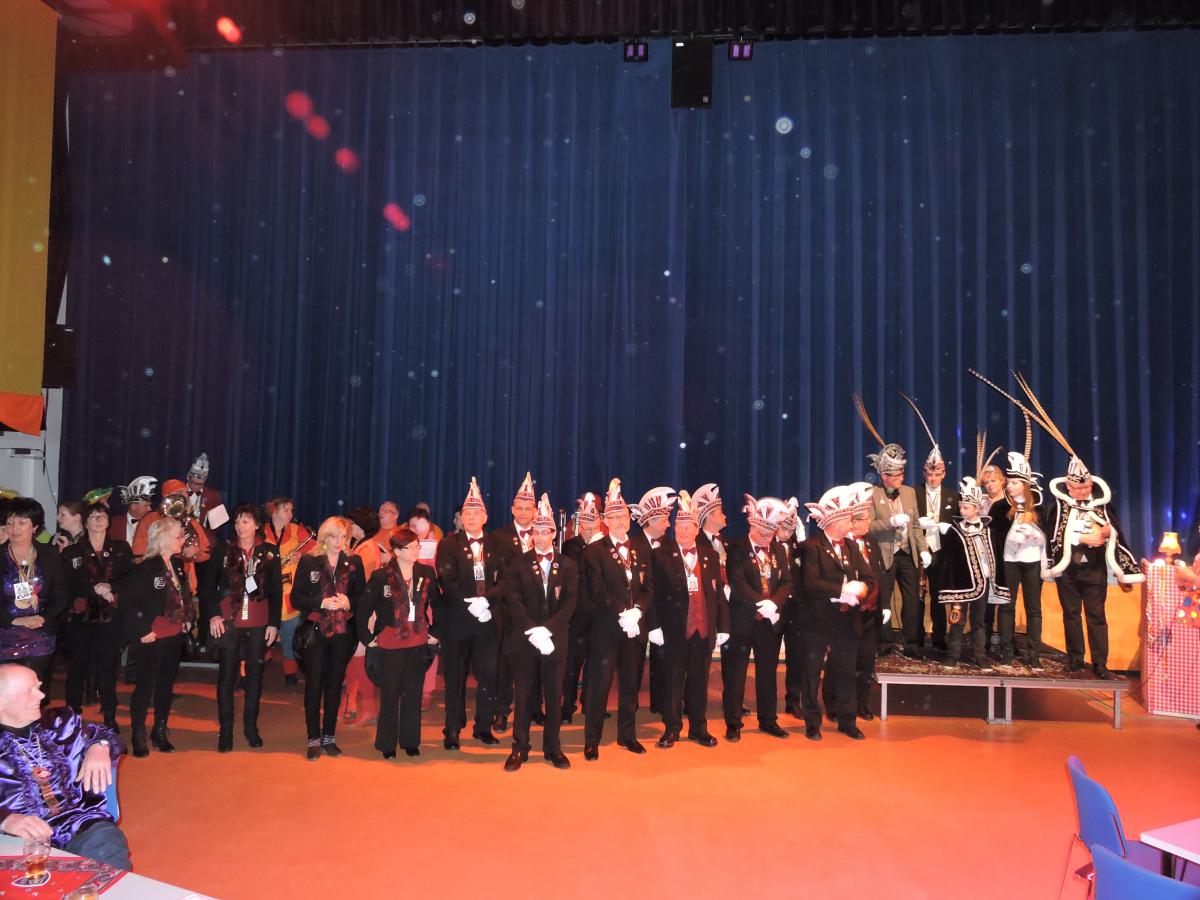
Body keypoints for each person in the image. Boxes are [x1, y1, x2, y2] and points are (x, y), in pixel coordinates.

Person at [0, 665, 129, 869]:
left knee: (106, 845)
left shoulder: (58, 724)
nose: (41, 695)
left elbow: (106, 735)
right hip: (13, 839)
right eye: (29, 691)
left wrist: (100, 746)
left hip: (76, 824)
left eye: (38, 687)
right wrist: (5, 820)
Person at [499, 495, 577, 771]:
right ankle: (519, 748)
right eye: (536, 532)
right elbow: (514, 601)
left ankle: (552, 748)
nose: (541, 537)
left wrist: (548, 629)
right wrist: (534, 630)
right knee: (523, 696)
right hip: (526, 640)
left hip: (555, 641)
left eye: (545, 532)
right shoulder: (519, 563)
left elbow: (570, 603)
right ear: (531, 534)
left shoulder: (567, 565)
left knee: (554, 696)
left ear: (554, 534)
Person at [648, 490, 728, 749]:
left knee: (699, 681)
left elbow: (717, 594)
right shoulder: (661, 556)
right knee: (673, 681)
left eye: (687, 527)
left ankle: (698, 728)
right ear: (674, 530)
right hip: (675, 630)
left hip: (703, 630)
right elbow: (653, 594)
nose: (683, 532)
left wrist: (723, 627)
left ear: (696, 529)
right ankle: (672, 728)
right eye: (679, 527)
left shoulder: (709, 555)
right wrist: (654, 626)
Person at [855, 395, 932, 658]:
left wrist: (923, 549)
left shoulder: (910, 492)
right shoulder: (872, 493)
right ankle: (884, 643)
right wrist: (889, 522)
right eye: (896, 475)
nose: (901, 478)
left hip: (907, 554)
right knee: (883, 599)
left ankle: (912, 644)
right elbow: (867, 526)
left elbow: (916, 526)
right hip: (884, 554)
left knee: (912, 601)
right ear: (884, 476)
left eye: (902, 474)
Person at [107, 516, 191, 756]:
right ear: (163, 539)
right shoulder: (146, 567)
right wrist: (142, 630)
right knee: (145, 685)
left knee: (165, 684)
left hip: (173, 632)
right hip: (151, 633)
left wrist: (186, 618)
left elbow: (182, 597)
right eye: (178, 536)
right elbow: (129, 603)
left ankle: (160, 730)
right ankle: (138, 732)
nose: (182, 540)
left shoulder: (177, 565)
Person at [582, 478, 653, 760]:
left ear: (629, 518)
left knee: (630, 685)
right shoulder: (594, 551)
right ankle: (592, 739)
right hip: (607, 628)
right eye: (613, 517)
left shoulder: (641, 548)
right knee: (598, 686)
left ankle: (627, 735)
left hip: (635, 628)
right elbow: (596, 590)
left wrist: (639, 611)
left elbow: (650, 586)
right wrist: (622, 612)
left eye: (623, 516)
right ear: (605, 521)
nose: (619, 521)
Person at [798, 486, 873, 741]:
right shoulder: (811, 547)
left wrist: (861, 589)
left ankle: (847, 721)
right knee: (811, 673)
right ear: (833, 522)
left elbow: (868, 578)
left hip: (845, 620)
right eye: (847, 519)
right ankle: (812, 722)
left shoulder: (851, 546)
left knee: (846, 671)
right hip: (817, 620)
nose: (851, 523)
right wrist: (841, 589)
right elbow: (810, 583)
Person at [433, 478, 503, 750]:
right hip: (458, 620)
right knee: (455, 676)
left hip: (488, 620)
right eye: (466, 514)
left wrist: (487, 601)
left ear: (485, 517)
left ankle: (483, 726)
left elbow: (506, 578)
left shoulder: (496, 543)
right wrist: (469, 602)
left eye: (476, 513)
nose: (471, 518)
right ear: (461, 518)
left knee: (488, 675)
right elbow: (446, 578)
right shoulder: (449, 543)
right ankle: (452, 728)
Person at [206, 505, 282, 752]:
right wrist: (214, 614)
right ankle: (226, 730)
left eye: (246, 521)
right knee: (227, 676)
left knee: (255, 676)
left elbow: (276, 591)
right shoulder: (224, 550)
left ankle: (251, 727)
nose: (240, 526)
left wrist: (274, 623)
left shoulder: (269, 552)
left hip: (259, 622)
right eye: (237, 521)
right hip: (230, 620)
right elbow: (207, 587)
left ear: (257, 524)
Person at [359, 528, 440, 759]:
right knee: (390, 693)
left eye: (417, 546)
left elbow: (440, 604)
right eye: (410, 547)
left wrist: (437, 632)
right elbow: (363, 608)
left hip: (417, 641)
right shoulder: (381, 576)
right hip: (389, 643)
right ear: (396, 551)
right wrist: (366, 638)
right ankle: (387, 743)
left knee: (413, 692)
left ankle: (410, 741)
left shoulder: (425, 572)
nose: (416, 550)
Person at [291, 517, 365, 759]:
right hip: (315, 631)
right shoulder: (309, 560)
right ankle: (313, 738)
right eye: (334, 536)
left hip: (343, 632)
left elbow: (363, 597)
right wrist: (321, 602)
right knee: (314, 684)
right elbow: (296, 598)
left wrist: (349, 602)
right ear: (324, 537)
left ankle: (329, 736)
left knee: (335, 684)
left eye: (344, 537)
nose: (339, 542)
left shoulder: (354, 561)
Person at [721, 494, 792, 741]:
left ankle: (768, 720)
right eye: (762, 533)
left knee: (768, 673)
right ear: (752, 526)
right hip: (742, 620)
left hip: (769, 623)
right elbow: (738, 583)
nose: (766, 538)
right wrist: (762, 603)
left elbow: (786, 582)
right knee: (736, 675)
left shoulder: (778, 549)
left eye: (770, 534)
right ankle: (733, 722)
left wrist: (775, 603)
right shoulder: (736, 549)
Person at [60, 503, 133, 729]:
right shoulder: (72, 551)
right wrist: (96, 589)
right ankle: (72, 716)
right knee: (77, 667)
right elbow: (69, 583)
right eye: (93, 517)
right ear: (85, 522)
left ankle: (109, 715)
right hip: (81, 616)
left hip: (110, 617)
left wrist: (110, 586)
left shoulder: (121, 548)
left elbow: (130, 577)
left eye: (102, 516)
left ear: (109, 521)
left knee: (107, 667)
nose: (98, 520)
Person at [938, 477, 1010, 671]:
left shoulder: (989, 532)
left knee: (979, 621)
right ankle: (953, 655)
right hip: (961, 585)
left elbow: (995, 557)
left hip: (983, 583)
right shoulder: (955, 531)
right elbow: (949, 560)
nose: (962, 511)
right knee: (957, 620)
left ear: (977, 508)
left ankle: (980, 655)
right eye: (961, 507)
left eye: (966, 508)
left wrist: (994, 579)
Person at [488, 472, 539, 733]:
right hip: (508, 610)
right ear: (512, 509)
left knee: (536, 659)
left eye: (528, 508)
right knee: (506, 662)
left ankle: (533, 707)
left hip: (537, 610)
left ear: (535, 511)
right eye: (519, 508)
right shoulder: (499, 536)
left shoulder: (544, 533)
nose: (523, 512)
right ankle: (502, 710)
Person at [1, 497, 67, 681]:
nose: (14, 529)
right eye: (10, 523)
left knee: (32, 689)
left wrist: (42, 618)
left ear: (35, 527)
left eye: (22, 523)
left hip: (39, 634)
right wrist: (15, 620)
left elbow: (60, 596)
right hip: (4, 634)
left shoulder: (49, 554)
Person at [996, 453, 1047, 669]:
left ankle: (1034, 653)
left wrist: (1035, 534)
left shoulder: (1039, 508)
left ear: (1025, 485)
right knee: (1007, 606)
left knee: (1033, 608)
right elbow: (995, 535)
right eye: (1009, 482)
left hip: (1032, 562)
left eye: (1015, 483)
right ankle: (1006, 649)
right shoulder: (1001, 507)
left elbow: (1048, 537)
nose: (1009, 486)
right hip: (1009, 562)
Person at [629, 486, 676, 716]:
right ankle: (629, 705)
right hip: (640, 612)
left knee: (663, 660)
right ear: (653, 521)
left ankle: (660, 702)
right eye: (665, 520)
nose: (668, 525)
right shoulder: (632, 545)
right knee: (634, 663)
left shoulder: (670, 546)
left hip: (664, 614)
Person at [559, 491, 603, 724]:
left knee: (596, 663)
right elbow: (578, 571)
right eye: (585, 519)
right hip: (577, 614)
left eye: (593, 519)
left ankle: (590, 704)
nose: (589, 524)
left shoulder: (606, 546)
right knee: (572, 664)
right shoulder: (571, 546)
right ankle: (567, 707)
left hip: (600, 614)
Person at [262, 497, 313, 687]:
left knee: (289, 634)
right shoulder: (261, 531)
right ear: (274, 511)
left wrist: (303, 555)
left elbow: (321, 549)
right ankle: (260, 661)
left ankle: (290, 672)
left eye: (291, 510)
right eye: (286, 510)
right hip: (266, 592)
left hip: (289, 592)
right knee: (262, 632)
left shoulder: (298, 531)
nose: (290, 514)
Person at [108, 477, 157, 548]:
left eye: (149, 505)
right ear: (133, 506)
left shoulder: (154, 523)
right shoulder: (114, 523)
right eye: (146, 505)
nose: (150, 509)